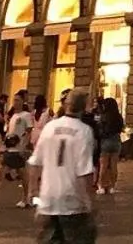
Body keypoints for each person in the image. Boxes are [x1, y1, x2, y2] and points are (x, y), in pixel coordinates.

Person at [28, 90, 95, 244]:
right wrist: (90, 202)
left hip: (48, 199)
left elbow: (35, 162)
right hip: (73, 201)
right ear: (83, 108)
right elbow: (84, 171)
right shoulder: (84, 131)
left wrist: (33, 190)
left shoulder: (50, 127)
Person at [94, 98, 123, 196]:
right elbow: (120, 129)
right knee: (114, 165)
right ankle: (112, 186)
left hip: (106, 142)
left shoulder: (104, 117)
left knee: (103, 165)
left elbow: (101, 131)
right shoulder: (119, 117)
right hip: (116, 142)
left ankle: (101, 186)